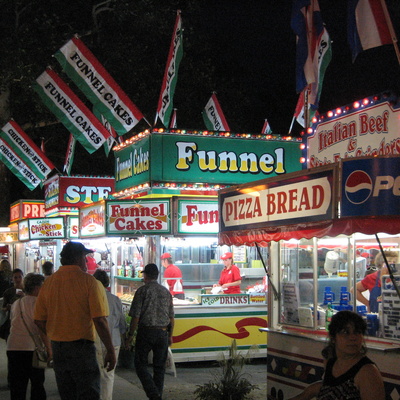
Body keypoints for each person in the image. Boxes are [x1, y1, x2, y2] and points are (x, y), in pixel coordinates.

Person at [34, 241, 116, 400]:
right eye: (85, 258)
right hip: (82, 349)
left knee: (67, 393)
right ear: (78, 258)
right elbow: (100, 320)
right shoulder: (90, 282)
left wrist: (55, 333)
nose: (86, 261)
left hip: (58, 347)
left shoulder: (49, 283)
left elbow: (38, 320)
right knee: (88, 393)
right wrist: (110, 350)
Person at [289, 311, 385, 400]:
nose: (353, 337)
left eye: (357, 332)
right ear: (333, 337)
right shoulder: (331, 363)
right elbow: (327, 388)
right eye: (345, 332)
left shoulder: (367, 372)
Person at [125, 263, 174, 400]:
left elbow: (135, 316)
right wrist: (170, 335)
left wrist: (130, 336)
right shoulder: (166, 292)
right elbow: (171, 317)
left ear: (146, 275)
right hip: (163, 332)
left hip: (146, 332)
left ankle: (153, 394)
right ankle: (157, 395)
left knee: (140, 364)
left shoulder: (142, 291)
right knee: (159, 368)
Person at [7, 273, 51, 400]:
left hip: (13, 346)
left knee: (17, 386)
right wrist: (49, 348)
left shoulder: (17, 303)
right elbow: (41, 327)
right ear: (37, 287)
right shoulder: (39, 303)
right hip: (32, 349)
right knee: (37, 384)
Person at [93, 269, 126, 400]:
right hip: (113, 341)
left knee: (95, 373)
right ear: (107, 283)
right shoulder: (115, 299)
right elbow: (122, 322)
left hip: (95, 340)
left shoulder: (91, 299)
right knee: (108, 374)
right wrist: (126, 338)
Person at [1, 268, 25, 341]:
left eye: (19, 277)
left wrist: (24, 297)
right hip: (11, 321)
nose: (18, 280)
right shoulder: (8, 292)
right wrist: (8, 307)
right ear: (12, 279)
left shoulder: (27, 291)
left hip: (24, 320)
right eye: (15, 277)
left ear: (23, 277)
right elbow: (3, 308)